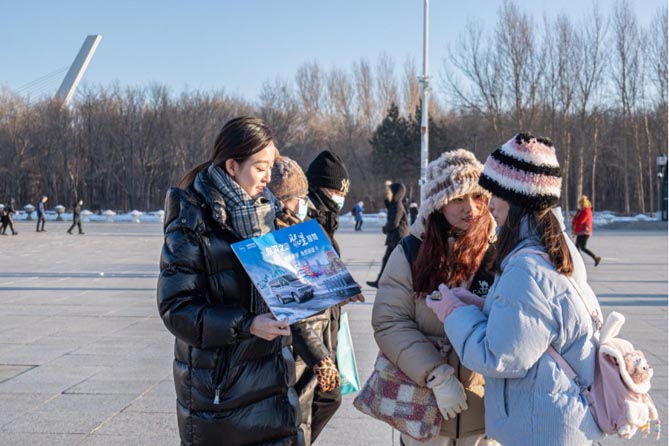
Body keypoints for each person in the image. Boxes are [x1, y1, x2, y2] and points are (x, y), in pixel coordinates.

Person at [427, 133, 604, 446]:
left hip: (541, 427)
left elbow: (498, 356)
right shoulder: (555, 249)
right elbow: (534, 327)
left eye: (495, 194)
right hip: (558, 417)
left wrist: (453, 312)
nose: (490, 205)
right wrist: (482, 308)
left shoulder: (526, 268)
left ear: (518, 199)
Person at [157, 116, 303, 446]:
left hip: (274, 383)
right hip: (222, 391)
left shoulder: (270, 214)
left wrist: (327, 291)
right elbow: (176, 308)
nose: (268, 177)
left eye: (271, 167)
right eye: (260, 168)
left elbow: (286, 291)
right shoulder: (192, 221)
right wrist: (247, 324)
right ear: (232, 166)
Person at [372, 149, 497, 446]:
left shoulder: (500, 250)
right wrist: (436, 374)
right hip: (424, 403)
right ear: (438, 204)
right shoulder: (412, 251)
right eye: (458, 199)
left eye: (478, 197)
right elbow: (390, 321)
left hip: (487, 407)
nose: (471, 208)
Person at [268, 156, 341, 445]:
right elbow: (288, 307)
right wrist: (319, 357)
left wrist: (340, 289)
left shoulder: (303, 231)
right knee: (298, 420)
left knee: (319, 406)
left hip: (315, 339)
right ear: (282, 201)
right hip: (298, 349)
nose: (303, 204)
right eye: (298, 198)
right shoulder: (276, 239)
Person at [304, 149, 350, 441]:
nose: (340, 198)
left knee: (324, 398)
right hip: (310, 329)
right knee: (325, 397)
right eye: (336, 191)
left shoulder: (326, 219)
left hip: (326, 324)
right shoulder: (308, 221)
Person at [366, 182, 409, 288]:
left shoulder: (398, 206)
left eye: (389, 192)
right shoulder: (395, 205)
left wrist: (385, 229)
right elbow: (390, 207)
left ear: (395, 193)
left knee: (394, 261)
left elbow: (394, 223)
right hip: (395, 238)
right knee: (388, 260)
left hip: (398, 237)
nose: (387, 194)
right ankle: (381, 281)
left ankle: (394, 282)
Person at [572, 195, 601, 266]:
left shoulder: (586, 211)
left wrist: (574, 218)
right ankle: (578, 261)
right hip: (581, 232)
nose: (580, 206)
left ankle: (594, 258)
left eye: (581, 204)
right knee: (577, 247)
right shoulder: (583, 211)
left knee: (582, 247)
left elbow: (581, 221)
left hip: (585, 232)